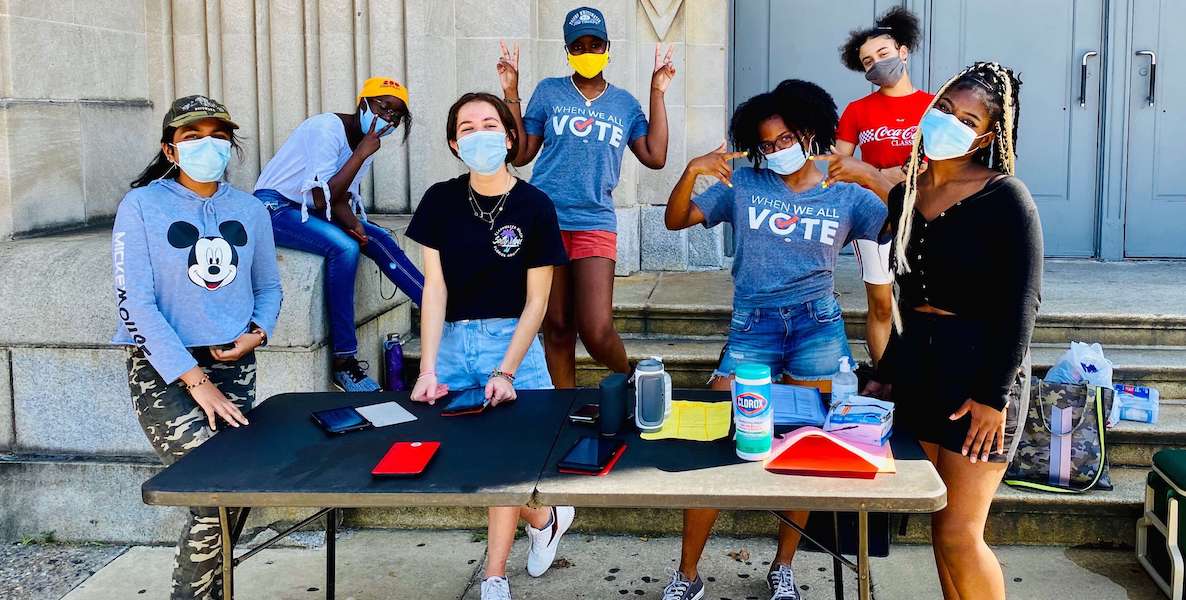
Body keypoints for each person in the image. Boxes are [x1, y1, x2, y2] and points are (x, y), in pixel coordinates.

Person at [661, 81, 890, 600]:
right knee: (714, 445)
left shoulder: (845, 193)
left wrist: (874, 177)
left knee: (806, 448)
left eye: (784, 138)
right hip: (752, 326)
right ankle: (688, 573)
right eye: (765, 143)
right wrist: (693, 170)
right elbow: (676, 220)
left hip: (817, 327)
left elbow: (900, 228)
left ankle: (783, 565)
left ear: (809, 133)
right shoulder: (743, 185)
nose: (775, 150)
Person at [864, 62, 1040, 600]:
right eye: (944, 109)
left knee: (962, 534)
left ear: (987, 135)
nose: (950, 123)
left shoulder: (1006, 197)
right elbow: (902, 300)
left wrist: (993, 396)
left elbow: (1022, 306)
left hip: (979, 374)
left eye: (968, 119)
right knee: (940, 529)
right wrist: (888, 373)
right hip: (921, 367)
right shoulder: (905, 196)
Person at [113, 95, 283, 599]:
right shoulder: (141, 205)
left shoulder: (249, 210)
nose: (207, 145)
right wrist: (197, 380)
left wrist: (257, 332)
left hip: (235, 365)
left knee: (235, 492)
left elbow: (268, 288)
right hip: (165, 370)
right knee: (213, 491)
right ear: (170, 149)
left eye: (218, 136)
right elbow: (135, 303)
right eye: (192, 137)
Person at [407, 92, 573, 600]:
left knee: (503, 463)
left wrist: (507, 369)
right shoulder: (439, 200)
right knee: (469, 464)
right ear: (456, 143)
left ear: (508, 136)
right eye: (467, 127)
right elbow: (433, 289)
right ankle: (544, 517)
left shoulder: (534, 205)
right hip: (454, 342)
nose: (480, 134)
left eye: (489, 124)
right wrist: (427, 366)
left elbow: (537, 301)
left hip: (512, 343)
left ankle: (494, 576)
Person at [497, 6, 675, 387]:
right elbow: (520, 153)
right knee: (558, 325)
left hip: (595, 221)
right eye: (579, 46)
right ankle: (563, 408)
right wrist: (512, 92)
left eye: (596, 44)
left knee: (596, 329)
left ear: (607, 47)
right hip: (546, 219)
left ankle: (633, 381)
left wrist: (656, 91)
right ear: (567, 50)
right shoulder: (549, 91)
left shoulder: (624, 104)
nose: (588, 51)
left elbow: (655, 156)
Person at [254, 76, 425, 392]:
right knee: (345, 248)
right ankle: (344, 362)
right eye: (383, 107)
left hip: (312, 208)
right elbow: (321, 197)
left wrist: (356, 224)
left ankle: (436, 307)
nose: (388, 118)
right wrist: (360, 154)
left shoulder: (367, 142)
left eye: (396, 115)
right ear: (363, 103)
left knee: (379, 239)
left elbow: (340, 196)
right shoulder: (327, 129)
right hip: (273, 206)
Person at [825, 7, 933, 367]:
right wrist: (889, 173)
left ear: (903, 51)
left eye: (883, 54)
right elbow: (841, 166)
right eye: (867, 61)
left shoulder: (934, 106)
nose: (876, 64)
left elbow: (940, 167)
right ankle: (883, 380)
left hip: (928, 215)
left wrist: (874, 170)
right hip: (874, 217)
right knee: (882, 304)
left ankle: (923, 374)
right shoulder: (856, 111)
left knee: (927, 302)